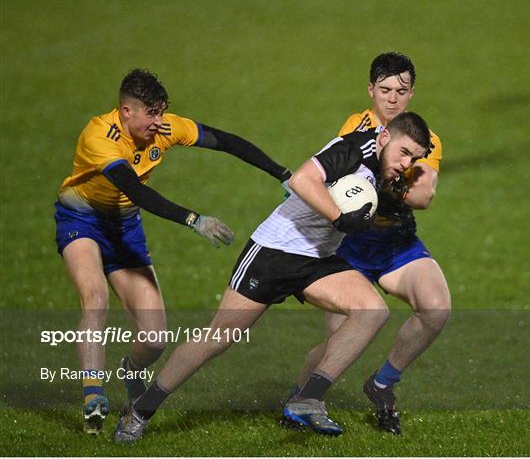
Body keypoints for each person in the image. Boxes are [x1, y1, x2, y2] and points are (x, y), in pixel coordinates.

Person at [113, 111, 432, 443]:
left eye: (414, 158)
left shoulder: (386, 168)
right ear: (384, 138)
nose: (405, 162)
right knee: (218, 337)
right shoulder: (353, 149)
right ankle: (140, 411)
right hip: (274, 252)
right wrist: (339, 218)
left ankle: (308, 398)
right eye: (404, 152)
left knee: (372, 311)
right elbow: (302, 180)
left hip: (316, 259)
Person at [54, 69, 292, 434]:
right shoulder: (99, 135)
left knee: (154, 339)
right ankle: (93, 397)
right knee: (95, 296)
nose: (159, 122)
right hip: (81, 220)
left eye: (162, 111)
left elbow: (226, 141)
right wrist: (193, 219)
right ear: (126, 111)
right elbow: (135, 190)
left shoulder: (163, 129)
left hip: (126, 229)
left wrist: (283, 174)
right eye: (151, 113)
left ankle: (130, 370)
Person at [288, 52, 451, 435]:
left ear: (412, 94)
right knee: (336, 339)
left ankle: (382, 383)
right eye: (385, 90)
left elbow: (425, 194)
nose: (392, 99)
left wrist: (395, 188)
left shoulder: (425, 139)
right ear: (371, 91)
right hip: (349, 245)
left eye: (401, 91)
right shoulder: (355, 126)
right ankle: (300, 399)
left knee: (436, 309)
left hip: (396, 242)